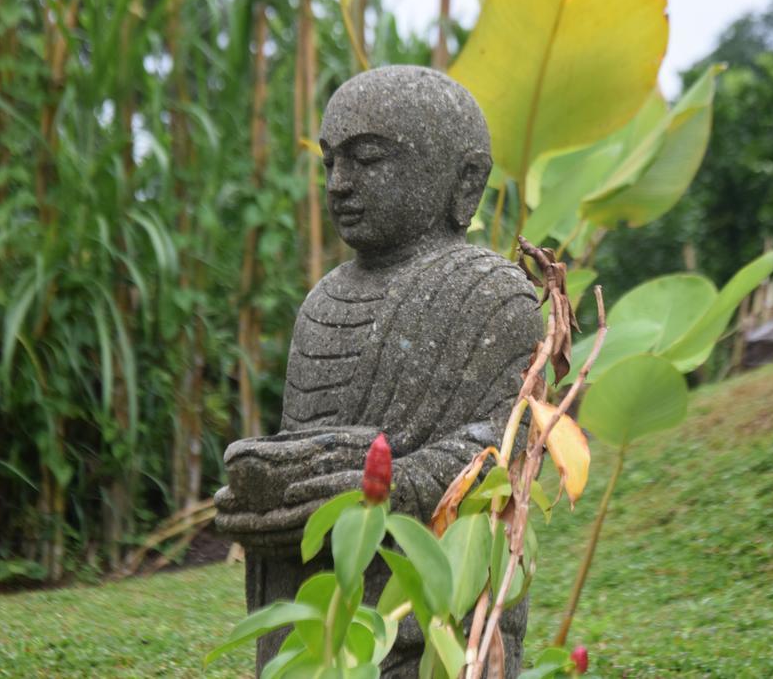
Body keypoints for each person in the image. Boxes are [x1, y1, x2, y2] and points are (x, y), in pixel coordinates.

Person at [214, 65, 540, 678]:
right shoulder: (323, 301)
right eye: (330, 161)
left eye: (367, 159)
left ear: (464, 180)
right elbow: (305, 448)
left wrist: (392, 485)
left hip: (420, 613)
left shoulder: (493, 296)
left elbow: (507, 450)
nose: (339, 184)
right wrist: (258, 498)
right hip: (320, 599)